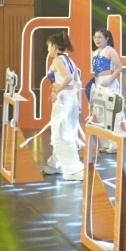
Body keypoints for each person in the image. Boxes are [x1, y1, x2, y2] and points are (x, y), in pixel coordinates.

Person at [42, 33, 84, 181]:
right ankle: (56, 165)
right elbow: (77, 81)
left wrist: (57, 91)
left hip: (64, 99)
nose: (48, 49)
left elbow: (67, 77)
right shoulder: (69, 60)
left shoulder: (58, 60)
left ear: (54, 46)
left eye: (49, 46)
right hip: (71, 98)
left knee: (61, 134)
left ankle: (74, 169)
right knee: (65, 132)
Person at [91, 28, 123, 153]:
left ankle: (114, 144)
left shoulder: (110, 50)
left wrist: (109, 80)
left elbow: (119, 68)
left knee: (111, 113)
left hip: (109, 83)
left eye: (100, 37)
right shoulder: (95, 52)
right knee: (99, 113)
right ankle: (104, 143)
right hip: (98, 83)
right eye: (95, 37)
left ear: (107, 39)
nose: (97, 39)